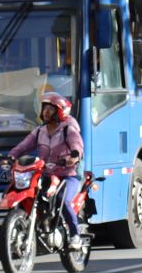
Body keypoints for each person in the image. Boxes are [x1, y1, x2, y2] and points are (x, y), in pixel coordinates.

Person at [6, 92, 86, 249]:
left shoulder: (68, 129)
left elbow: (77, 145)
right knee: (32, 193)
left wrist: (74, 156)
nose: (46, 112)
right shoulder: (39, 131)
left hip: (68, 175)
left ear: (60, 112)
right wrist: (11, 156)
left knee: (62, 199)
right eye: (44, 108)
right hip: (46, 174)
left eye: (51, 109)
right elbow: (24, 146)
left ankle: (75, 235)